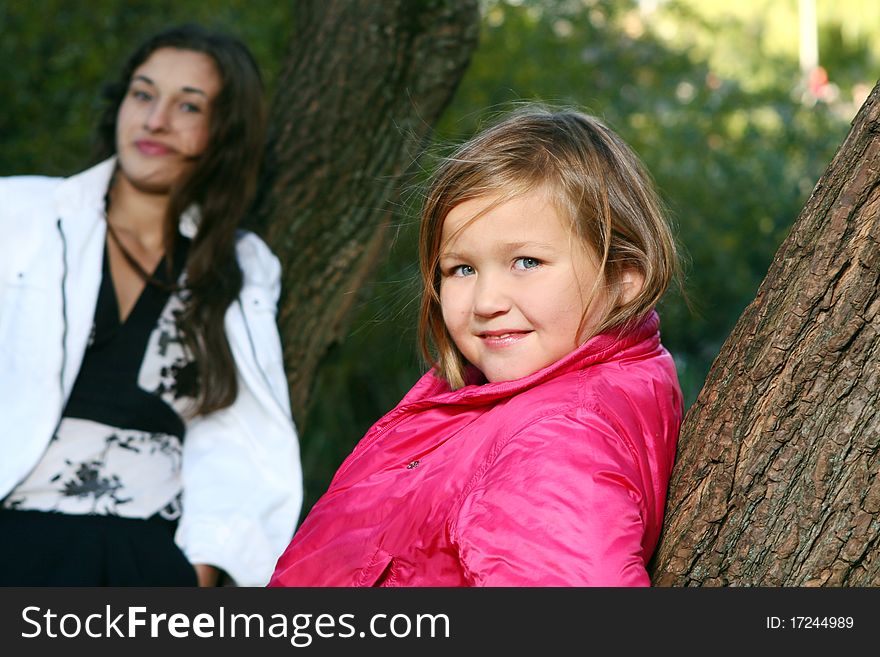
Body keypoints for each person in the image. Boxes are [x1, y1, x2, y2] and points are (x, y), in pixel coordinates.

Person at [268, 107, 683, 587]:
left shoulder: (558, 438)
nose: (486, 302)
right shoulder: (518, 405)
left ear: (624, 278)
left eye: (526, 262)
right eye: (462, 269)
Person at [0, 24, 302, 586]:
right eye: (143, 94)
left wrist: (200, 573)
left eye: (188, 105)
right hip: (15, 535)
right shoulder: (17, 214)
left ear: (223, 131)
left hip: (147, 563)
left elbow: (237, 435)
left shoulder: (241, 264)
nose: (155, 119)